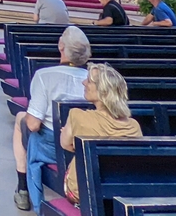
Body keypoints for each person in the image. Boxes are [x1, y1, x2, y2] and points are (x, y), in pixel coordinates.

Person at [11, 25, 91, 211]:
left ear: (61, 46)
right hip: (85, 144)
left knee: (21, 119)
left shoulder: (44, 76)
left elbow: (33, 125)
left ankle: (22, 188)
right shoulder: (93, 80)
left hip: (52, 146)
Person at [59, 63, 142, 203]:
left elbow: (65, 144)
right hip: (122, 191)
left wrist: (73, 137)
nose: (83, 82)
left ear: (102, 91)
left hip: (84, 192)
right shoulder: (133, 126)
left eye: (89, 81)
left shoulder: (77, 116)